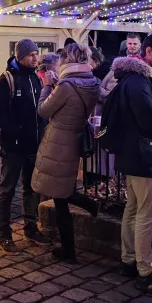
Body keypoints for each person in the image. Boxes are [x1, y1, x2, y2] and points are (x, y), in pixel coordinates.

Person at [112, 33, 152, 296]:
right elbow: (149, 120)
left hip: (130, 151)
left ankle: (128, 260)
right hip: (141, 152)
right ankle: (145, 270)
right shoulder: (139, 82)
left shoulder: (131, 78)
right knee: (148, 212)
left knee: (133, 207)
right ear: (148, 52)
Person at [32, 43, 101, 263]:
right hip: (75, 140)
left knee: (60, 198)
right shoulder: (91, 82)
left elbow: (43, 110)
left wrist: (46, 86)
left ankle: (69, 251)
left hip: (57, 143)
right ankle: (91, 207)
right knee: (64, 189)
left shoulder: (66, 86)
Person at [0, 39, 51, 252]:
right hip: (14, 147)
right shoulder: (7, 80)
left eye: (36, 53)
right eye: (31, 54)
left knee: (31, 189)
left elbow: (40, 111)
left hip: (33, 146)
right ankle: (4, 234)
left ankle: (30, 227)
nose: (35, 58)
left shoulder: (36, 79)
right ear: (20, 56)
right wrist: (11, 134)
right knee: (7, 190)